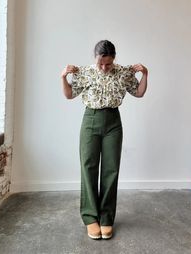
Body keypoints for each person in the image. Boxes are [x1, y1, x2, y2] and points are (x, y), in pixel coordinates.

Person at [61, 40, 148, 240]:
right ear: (95, 57)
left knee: (111, 169)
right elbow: (69, 95)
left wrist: (145, 74)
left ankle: (107, 217)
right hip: (90, 119)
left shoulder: (124, 72)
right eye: (101, 62)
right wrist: (63, 77)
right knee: (88, 166)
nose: (104, 67)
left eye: (108, 63)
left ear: (114, 59)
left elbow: (140, 92)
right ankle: (91, 217)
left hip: (113, 122)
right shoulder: (84, 72)